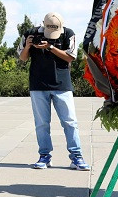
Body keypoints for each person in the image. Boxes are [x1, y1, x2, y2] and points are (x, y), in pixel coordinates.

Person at [18, 12, 90, 171]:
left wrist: (50, 47)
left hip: (62, 85)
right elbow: (22, 58)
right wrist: (29, 46)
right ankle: (44, 156)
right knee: (42, 123)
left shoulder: (68, 34)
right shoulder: (30, 33)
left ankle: (76, 157)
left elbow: (71, 57)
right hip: (38, 84)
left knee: (70, 121)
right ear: (43, 25)